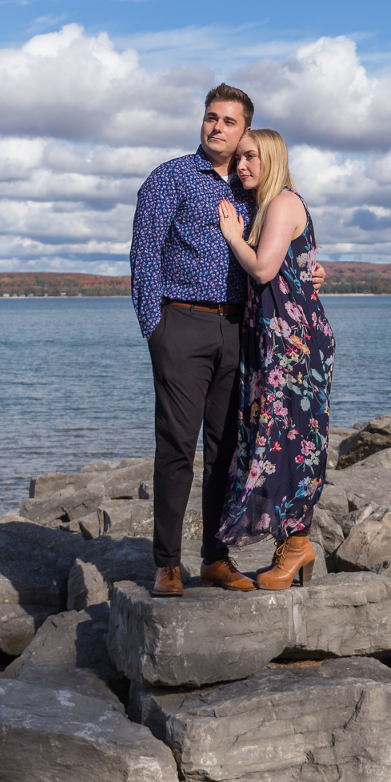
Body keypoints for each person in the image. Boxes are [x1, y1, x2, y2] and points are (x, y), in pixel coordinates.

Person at [130, 84, 262, 596]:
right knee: (177, 446)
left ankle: (215, 557)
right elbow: (145, 255)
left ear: (244, 129)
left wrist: (311, 271)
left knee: (227, 448)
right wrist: (155, 330)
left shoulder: (254, 186)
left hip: (238, 327)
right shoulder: (172, 177)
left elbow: (282, 242)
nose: (216, 127)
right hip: (181, 324)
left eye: (229, 121)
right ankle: (166, 564)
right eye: (211, 117)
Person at [215, 129, 335, 590]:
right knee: (272, 441)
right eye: (239, 157)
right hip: (274, 341)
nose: (241, 165)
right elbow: (293, 268)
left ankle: (296, 546)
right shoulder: (268, 205)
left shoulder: (283, 203)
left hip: (294, 345)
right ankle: (292, 546)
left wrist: (231, 235)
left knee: (288, 445)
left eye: (251, 157)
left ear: (273, 159)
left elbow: (264, 268)